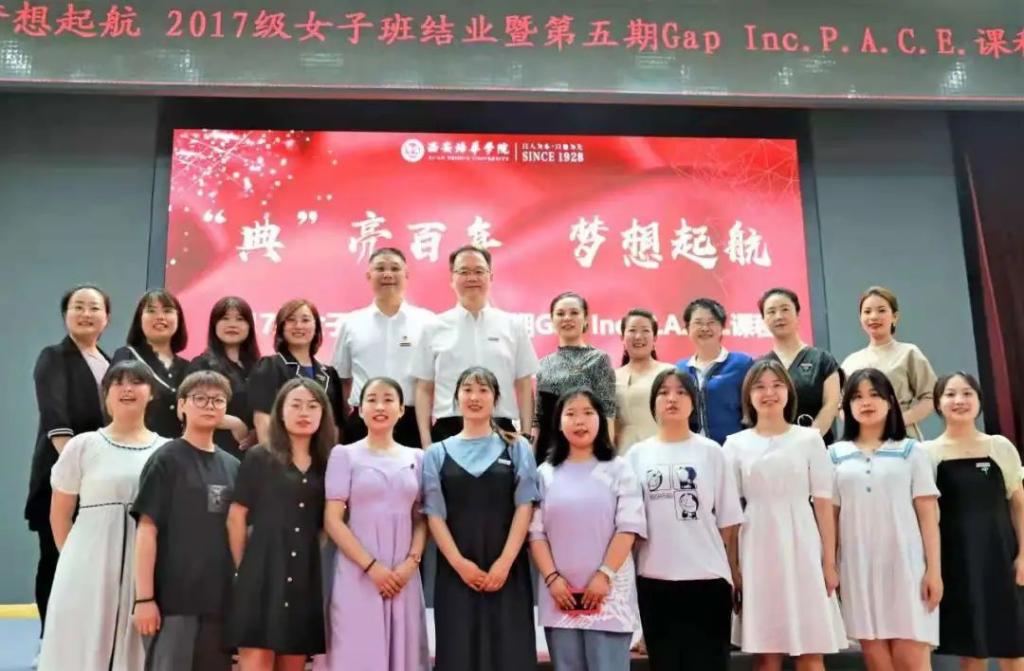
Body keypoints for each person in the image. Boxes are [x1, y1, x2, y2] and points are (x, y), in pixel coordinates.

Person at [37, 360, 168, 670]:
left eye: (136, 381)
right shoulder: (83, 446)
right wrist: (76, 562)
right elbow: (60, 515)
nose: (127, 389)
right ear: (106, 395)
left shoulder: (168, 450)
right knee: (80, 644)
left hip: (146, 570)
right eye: (117, 383)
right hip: (87, 565)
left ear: (151, 393)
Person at [722, 359, 846, 670]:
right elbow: (729, 513)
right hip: (756, 547)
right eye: (760, 387)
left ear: (788, 392)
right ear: (748, 395)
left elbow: (823, 504)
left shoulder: (809, 439)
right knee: (766, 653)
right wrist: (733, 567)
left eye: (777, 385)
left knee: (811, 651)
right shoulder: (735, 445)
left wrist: (829, 562)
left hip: (803, 542)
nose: (769, 393)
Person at [422, 366, 540, 671]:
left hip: (508, 571)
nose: (475, 397)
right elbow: (434, 514)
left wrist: (505, 563)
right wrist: (459, 564)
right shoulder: (435, 453)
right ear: (456, 398)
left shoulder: (517, 446)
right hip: (456, 572)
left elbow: (525, 506)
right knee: (459, 653)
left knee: (510, 653)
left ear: (496, 399)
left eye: (483, 390)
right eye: (468, 390)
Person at [627, 369, 743, 671]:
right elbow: (630, 523)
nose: (672, 399)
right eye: (664, 392)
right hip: (654, 579)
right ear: (653, 403)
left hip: (708, 578)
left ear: (693, 402)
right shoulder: (637, 455)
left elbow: (728, 521)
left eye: (681, 392)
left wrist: (730, 569)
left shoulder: (712, 452)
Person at [829, 368, 941, 670]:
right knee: (877, 660)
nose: (866, 402)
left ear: (890, 401)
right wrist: (831, 565)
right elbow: (831, 519)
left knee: (911, 659)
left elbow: (928, 517)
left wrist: (934, 571)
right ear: (846, 406)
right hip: (858, 569)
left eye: (874, 395)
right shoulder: (835, 455)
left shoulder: (911, 451)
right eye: (857, 397)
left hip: (908, 568)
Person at [530, 388, 645, 671]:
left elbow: (628, 528)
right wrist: (552, 579)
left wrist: (604, 575)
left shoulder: (619, 469)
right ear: (559, 423)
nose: (579, 421)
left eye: (587, 413)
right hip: (560, 596)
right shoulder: (544, 473)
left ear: (600, 420)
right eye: (570, 414)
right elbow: (536, 533)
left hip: (609, 594)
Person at [131, 371, 240, 671]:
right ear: (181, 406)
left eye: (217, 400)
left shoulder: (233, 466)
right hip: (172, 604)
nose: (209, 405)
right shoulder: (166, 460)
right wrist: (144, 599)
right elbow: (146, 530)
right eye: (200, 398)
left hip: (219, 604)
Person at [319, 377, 429, 671]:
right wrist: (371, 567)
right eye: (372, 400)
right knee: (357, 651)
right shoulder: (343, 454)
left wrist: (411, 562)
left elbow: (421, 517)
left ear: (401, 410)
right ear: (360, 408)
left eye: (388, 400)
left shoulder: (417, 457)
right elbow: (332, 519)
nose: (380, 406)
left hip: (403, 574)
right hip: (358, 570)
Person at [226, 378, 334, 670]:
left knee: (293, 661)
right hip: (261, 570)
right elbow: (237, 515)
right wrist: (242, 567)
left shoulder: (329, 463)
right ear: (281, 412)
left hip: (306, 574)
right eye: (295, 405)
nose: (304, 412)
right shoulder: (259, 456)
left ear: (323, 413)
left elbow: (329, 522)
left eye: (312, 406)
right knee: (257, 657)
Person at [25, 284, 112, 647]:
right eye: (78, 306)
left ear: (107, 318)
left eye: (94, 307)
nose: (86, 314)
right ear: (65, 315)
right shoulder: (53, 357)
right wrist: (77, 469)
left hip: (103, 482)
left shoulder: (111, 363)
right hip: (63, 479)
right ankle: (50, 639)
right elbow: (55, 417)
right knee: (55, 558)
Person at [925, 372, 1024, 669]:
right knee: (972, 650)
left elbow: (1018, 504)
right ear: (937, 404)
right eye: (950, 394)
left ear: (979, 401)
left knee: (1014, 647)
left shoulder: (999, 446)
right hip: (958, 562)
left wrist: (1023, 555)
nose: (959, 400)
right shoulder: (926, 453)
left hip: (1003, 558)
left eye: (967, 393)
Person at [410, 245, 538, 445]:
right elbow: (424, 388)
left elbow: (524, 385)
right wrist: (426, 442)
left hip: (501, 430)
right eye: (464, 272)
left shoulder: (513, 326)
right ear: (452, 279)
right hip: (449, 430)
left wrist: (527, 435)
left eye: (479, 271)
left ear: (490, 276)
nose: (472, 278)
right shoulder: (433, 327)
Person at [332, 248, 434, 448]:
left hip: (411, 422)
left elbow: (433, 381)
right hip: (362, 422)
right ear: (368, 276)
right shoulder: (351, 323)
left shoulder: (427, 321)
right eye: (380, 269)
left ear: (406, 275)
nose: (387, 274)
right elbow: (341, 380)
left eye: (395, 268)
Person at [841, 286, 937, 440]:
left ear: (895, 317)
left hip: (902, 437)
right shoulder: (851, 361)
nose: (873, 316)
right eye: (867, 312)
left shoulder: (908, 353)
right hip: (863, 440)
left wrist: (898, 421)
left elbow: (931, 396)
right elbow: (840, 405)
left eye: (881, 310)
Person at [534, 292, 617, 464]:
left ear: (586, 319)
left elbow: (608, 412)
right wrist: (530, 457)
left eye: (574, 313)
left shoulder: (599, 359)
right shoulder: (542, 364)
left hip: (587, 451)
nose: (567, 318)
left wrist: (606, 458)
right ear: (552, 321)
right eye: (560, 314)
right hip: (549, 454)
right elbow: (538, 418)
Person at [249, 298, 344, 444]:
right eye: (291, 320)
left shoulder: (330, 374)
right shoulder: (269, 366)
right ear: (281, 327)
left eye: (305, 320)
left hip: (322, 454)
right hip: (282, 452)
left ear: (316, 327)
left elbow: (335, 425)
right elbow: (263, 420)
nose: (298, 326)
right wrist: (272, 455)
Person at [759, 288, 841, 443]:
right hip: (773, 448)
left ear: (797, 314)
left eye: (785, 309)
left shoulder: (822, 360)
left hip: (816, 446)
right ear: (763, 319)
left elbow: (831, 405)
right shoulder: (759, 366)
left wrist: (807, 441)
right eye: (771, 311)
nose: (779, 316)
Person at [185, 296, 261, 459]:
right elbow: (188, 410)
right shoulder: (202, 364)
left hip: (251, 459)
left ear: (249, 326)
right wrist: (235, 424)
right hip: (210, 455)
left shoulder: (259, 366)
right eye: (225, 318)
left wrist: (258, 431)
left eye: (240, 319)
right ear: (214, 325)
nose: (232, 324)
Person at [111, 289, 190, 439]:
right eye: (151, 311)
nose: (160, 317)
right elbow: (113, 406)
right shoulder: (126, 356)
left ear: (179, 318)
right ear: (139, 319)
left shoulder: (189, 367)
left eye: (167, 311)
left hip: (176, 449)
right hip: (133, 446)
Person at [679, 298, 754, 445]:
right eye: (698, 323)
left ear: (722, 327)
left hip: (732, 448)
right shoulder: (680, 369)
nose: (705, 328)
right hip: (691, 449)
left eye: (711, 322)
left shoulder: (742, 364)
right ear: (687, 329)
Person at [614, 309, 675, 454]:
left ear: (655, 338)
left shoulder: (668, 373)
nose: (638, 336)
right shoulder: (611, 377)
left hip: (660, 453)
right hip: (622, 455)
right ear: (622, 337)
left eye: (645, 331)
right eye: (632, 330)